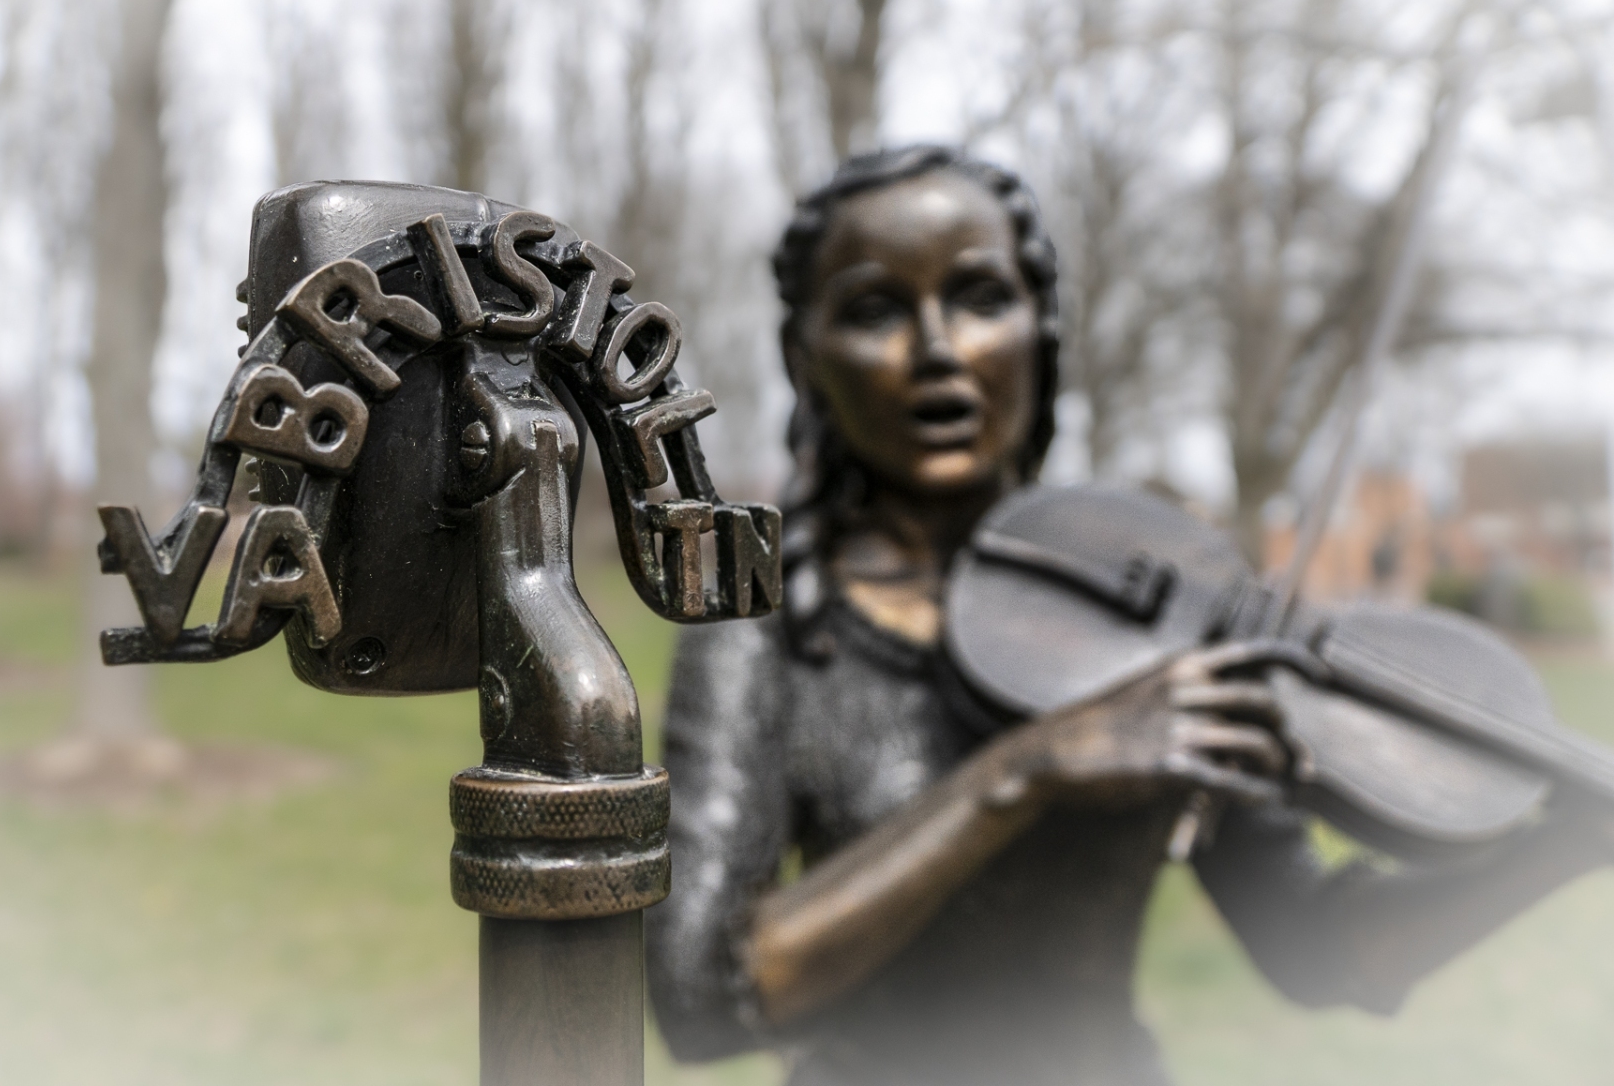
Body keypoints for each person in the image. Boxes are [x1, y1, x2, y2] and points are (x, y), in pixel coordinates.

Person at [646, 145, 1614, 1086]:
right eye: (874, 310)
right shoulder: (766, 629)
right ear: (804, 357)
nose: (938, 348)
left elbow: (1318, 947)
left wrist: (1562, 851)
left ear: (1040, 329)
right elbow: (700, 996)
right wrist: (1021, 772)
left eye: (982, 297)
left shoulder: (1159, 616)